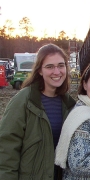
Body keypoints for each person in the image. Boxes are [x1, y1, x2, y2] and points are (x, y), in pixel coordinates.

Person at [0, 43, 76, 180]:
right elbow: (6, 149)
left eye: (61, 65)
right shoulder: (23, 101)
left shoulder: (69, 104)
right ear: (40, 70)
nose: (57, 72)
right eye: (49, 67)